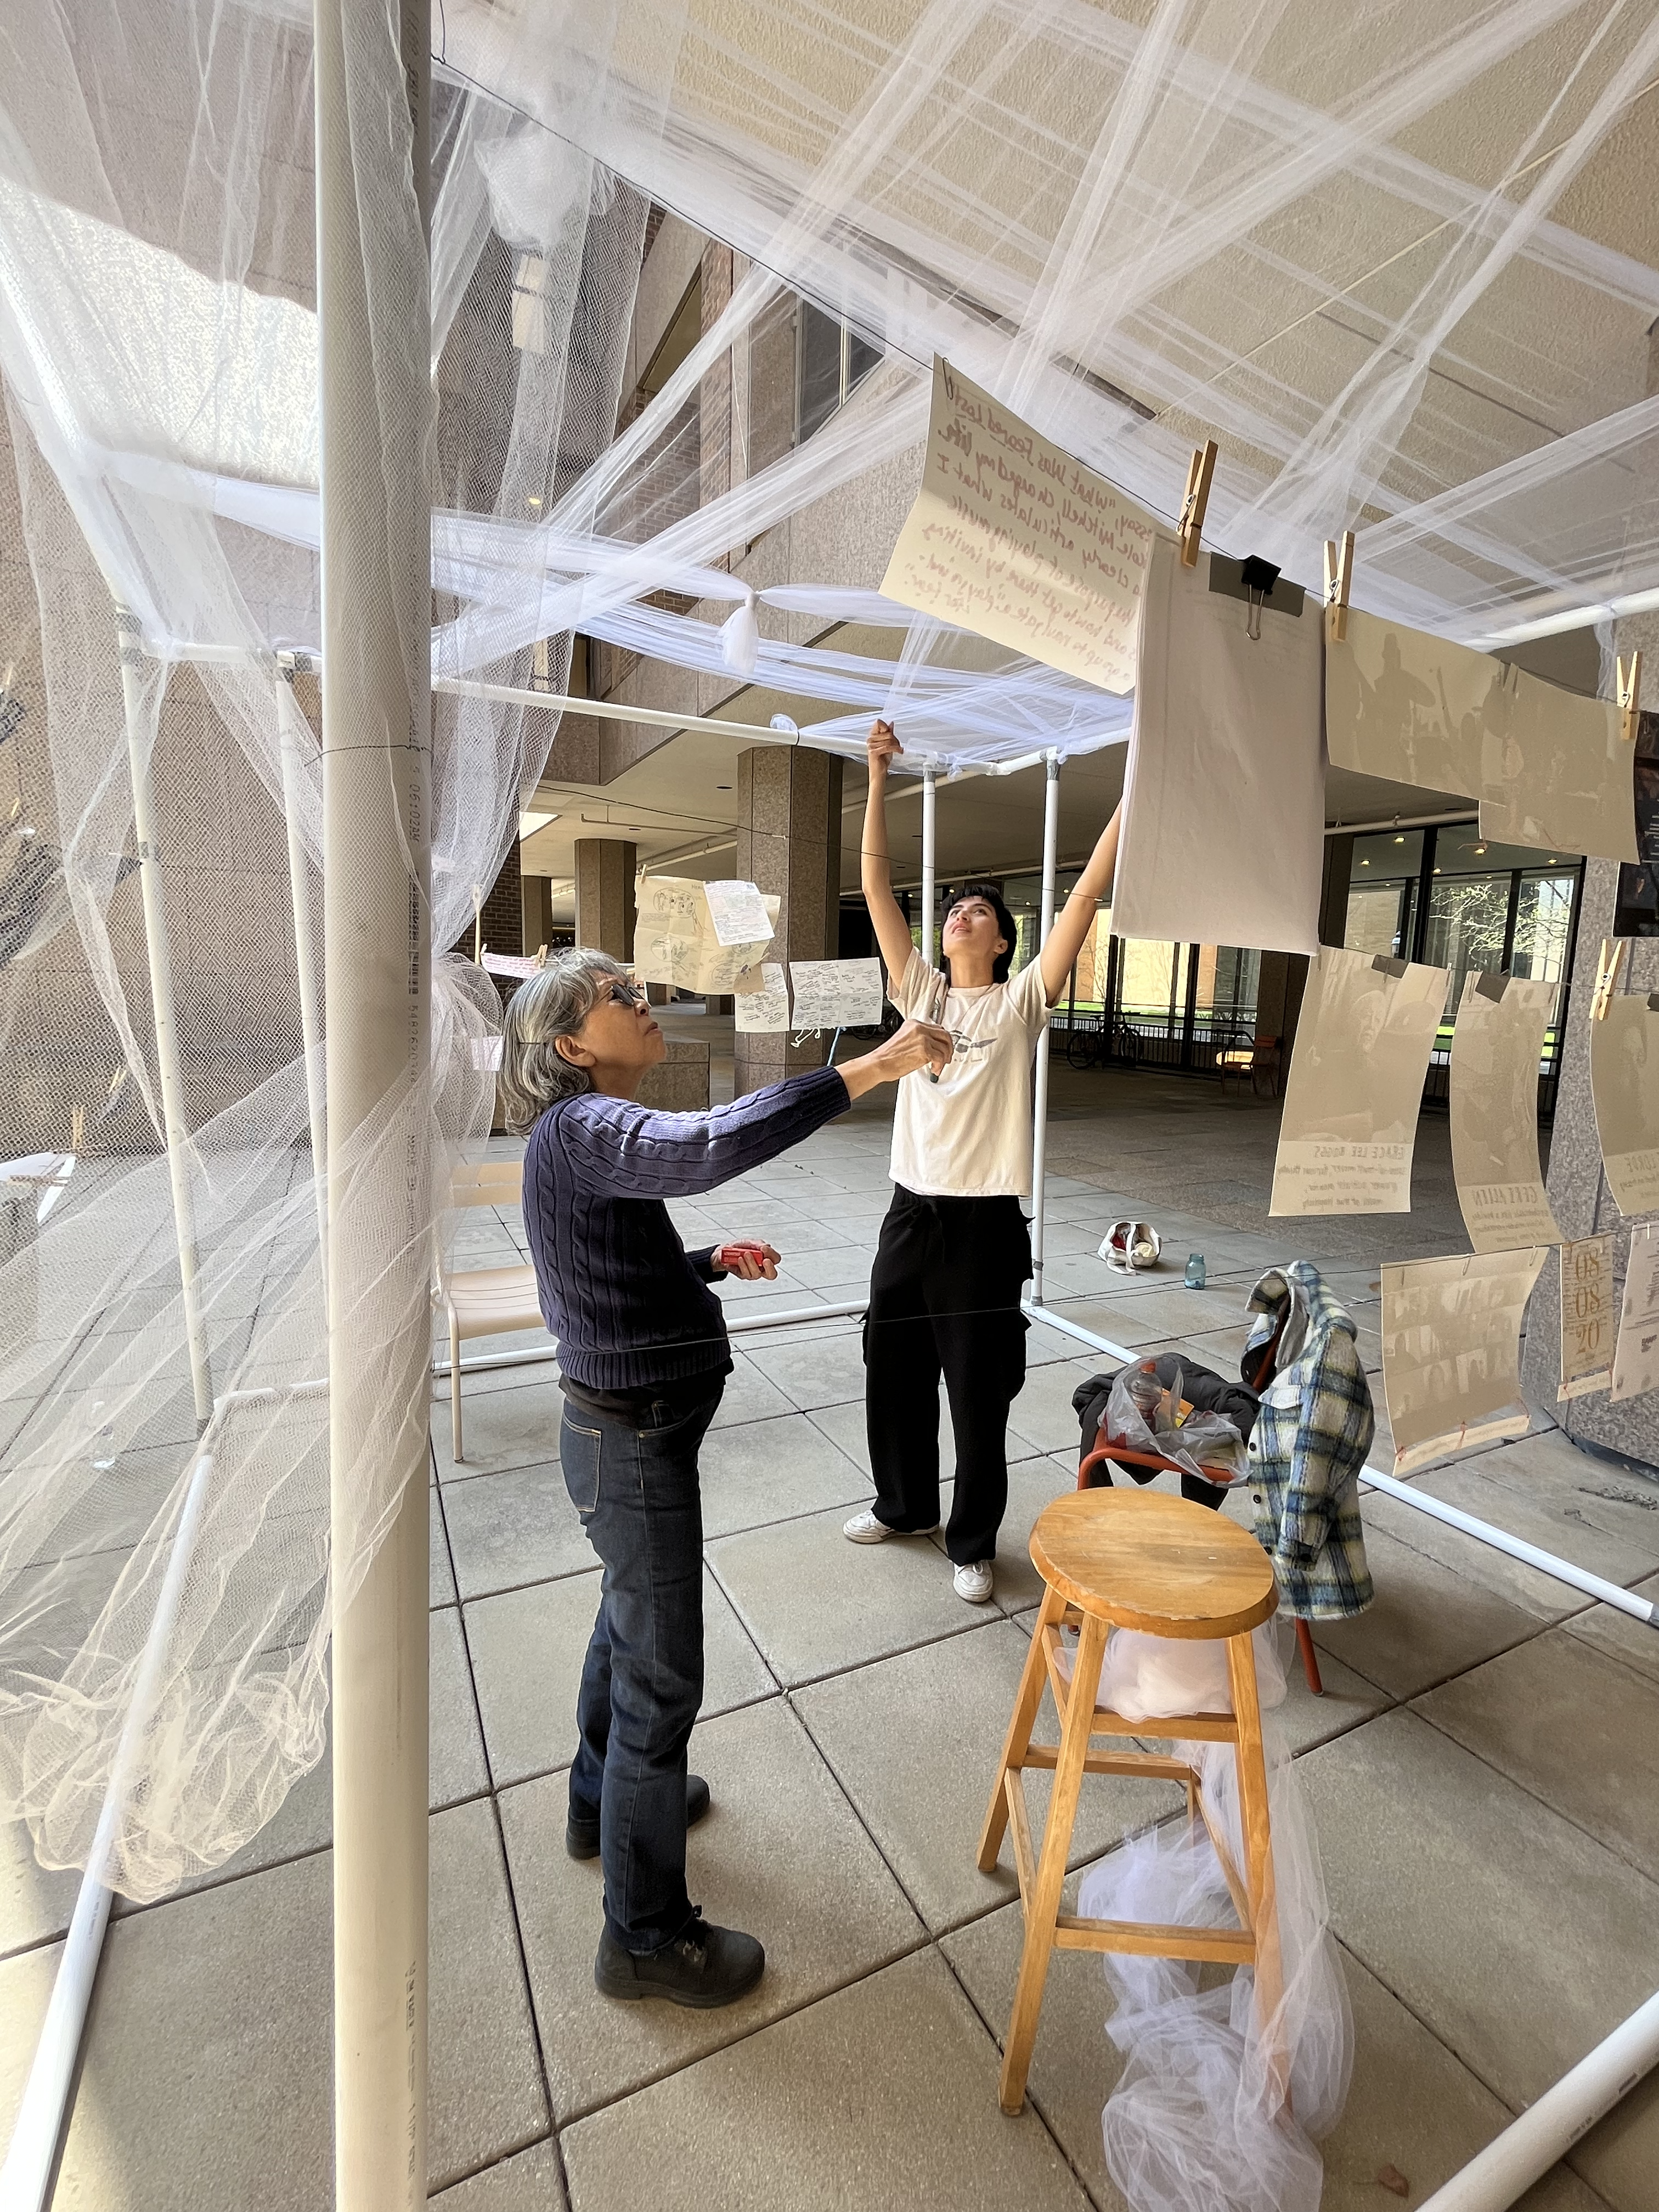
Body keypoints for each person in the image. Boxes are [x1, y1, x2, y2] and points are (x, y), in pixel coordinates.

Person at [499, 947, 950, 2011]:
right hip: (632, 1441)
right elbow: (706, 1146)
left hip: (627, 1435)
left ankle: (593, 1803)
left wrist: (704, 1265)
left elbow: (603, 1267)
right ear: (571, 1045)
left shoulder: (580, 1141)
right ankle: (644, 1936)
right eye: (622, 998)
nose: (644, 1004)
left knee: (627, 1631)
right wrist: (873, 1068)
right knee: (664, 1680)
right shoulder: (591, 1125)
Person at [846, 717, 1123, 1603]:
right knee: (891, 1368)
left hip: (982, 1224)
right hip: (910, 1211)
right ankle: (904, 1504)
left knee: (977, 1388)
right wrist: (878, 774)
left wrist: (1133, 794)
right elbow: (876, 884)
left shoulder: (1020, 1004)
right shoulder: (920, 992)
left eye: (981, 913)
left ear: (1001, 941)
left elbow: (1083, 900)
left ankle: (972, 1541)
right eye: (956, 908)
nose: (963, 914)